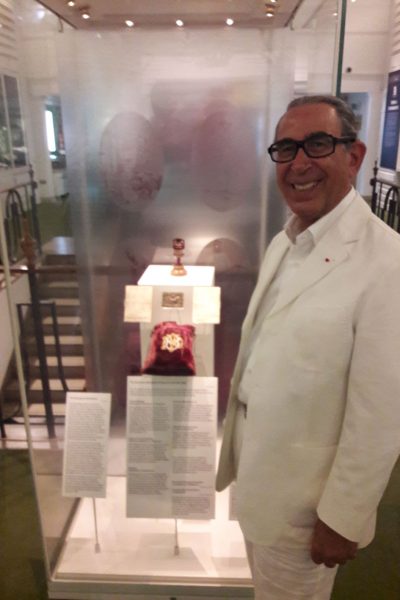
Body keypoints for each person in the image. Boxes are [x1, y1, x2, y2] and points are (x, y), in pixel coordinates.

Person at [216, 94, 400, 599]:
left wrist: (344, 517)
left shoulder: (387, 264)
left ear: (354, 156)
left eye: (317, 144)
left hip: (307, 506)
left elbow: (381, 416)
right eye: (286, 148)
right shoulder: (288, 239)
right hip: (262, 478)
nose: (298, 163)